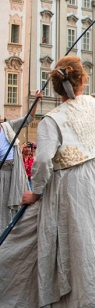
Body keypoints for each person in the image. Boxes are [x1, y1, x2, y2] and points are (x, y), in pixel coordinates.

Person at [0, 56, 95, 307]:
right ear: (83, 80)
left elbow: (42, 163)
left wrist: (36, 193)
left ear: (56, 87)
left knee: (77, 245)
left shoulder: (52, 120)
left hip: (71, 191)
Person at [0, 92, 42, 230]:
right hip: (2, 173)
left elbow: (28, 118)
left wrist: (35, 101)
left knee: (16, 201)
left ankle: (14, 229)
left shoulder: (8, 126)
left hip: (14, 171)